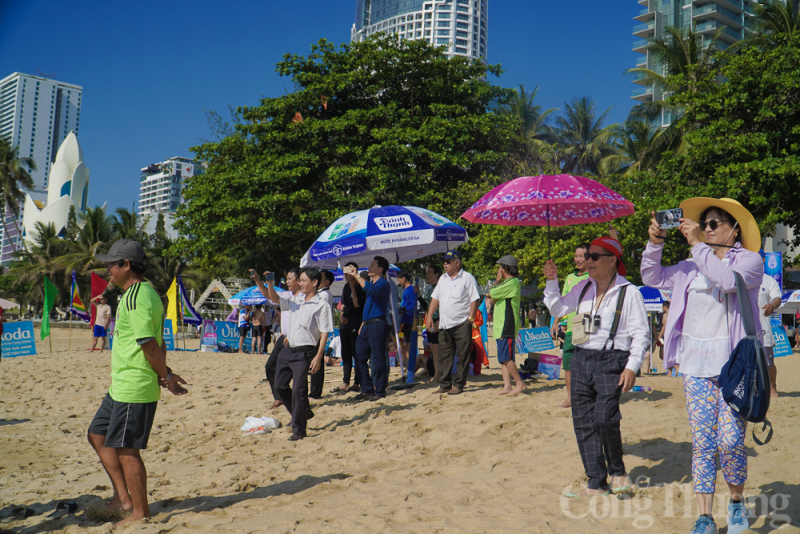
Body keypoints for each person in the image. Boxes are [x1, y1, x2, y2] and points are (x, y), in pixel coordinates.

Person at [641, 198, 763, 534]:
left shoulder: (750, 262)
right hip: (695, 366)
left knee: (731, 441)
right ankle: (705, 516)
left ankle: (736, 504)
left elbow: (726, 281)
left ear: (733, 229)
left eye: (713, 223)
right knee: (704, 443)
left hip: (735, 368)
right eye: (703, 223)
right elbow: (651, 275)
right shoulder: (689, 266)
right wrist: (656, 242)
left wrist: (697, 244)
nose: (706, 228)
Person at [88, 239, 188, 525]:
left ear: (126, 265)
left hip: (134, 386)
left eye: (111, 264)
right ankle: (122, 497)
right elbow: (157, 343)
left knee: (127, 450)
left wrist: (166, 376)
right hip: (121, 384)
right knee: (96, 434)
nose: (108, 270)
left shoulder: (138, 295)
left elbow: (148, 344)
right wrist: (165, 371)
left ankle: (140, 512)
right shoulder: (139, 293)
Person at [544, 236, 647, 498]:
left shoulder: (628, 292)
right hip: (580, 358)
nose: (588, 260)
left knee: (605, 418)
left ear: (612, 260)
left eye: (594, 256)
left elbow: (641, 335)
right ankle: (596, 481)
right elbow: (557, 306)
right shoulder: (583, 288)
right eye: (588, 255)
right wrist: (552, 280)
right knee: (583, 422)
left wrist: (632, 367)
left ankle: (618, 471)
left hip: (612, 361)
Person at [272, 267, 332, 440]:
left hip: (304, 353)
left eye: (304, 280)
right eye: (300, 280)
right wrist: (266, 283)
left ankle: (299, 430)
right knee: (280, 386)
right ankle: (304, 411)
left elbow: (324, 332)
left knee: (299, 390)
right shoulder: (295, 299)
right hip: (288, 351)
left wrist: (319, 356)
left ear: (314, 283)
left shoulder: (321, 304)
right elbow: (274, 298)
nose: (300, 283)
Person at [425, 250, 480, 396]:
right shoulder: (443, 279)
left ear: (457, 262)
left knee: (462, 355)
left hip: (462, 322)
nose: (445, 264)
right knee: (445, 356)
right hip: (445, 324)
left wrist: (470, 318)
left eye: (448, 261)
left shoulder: (467, 277)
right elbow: (435, 298)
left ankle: (459, 384)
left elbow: (475, 299)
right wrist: (429, 316)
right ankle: (445, 384)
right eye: (444, 261)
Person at [254, 267, 303, 409]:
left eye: (289, 278)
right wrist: (259, 280)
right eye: (286, 278)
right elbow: (270, 297)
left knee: (296, 373)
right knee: (270, 366)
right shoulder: (288, 295)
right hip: (284, 337)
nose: (287, 281)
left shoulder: (303, 298)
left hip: (296, 338)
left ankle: (298, 401)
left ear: (299, 281)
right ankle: (279, 398)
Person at [550, 244, 590, 408]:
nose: (578, 259)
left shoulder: (594, 276)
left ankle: (587, 395)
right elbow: (563, 302)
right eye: (576, 255)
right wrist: (555, 321)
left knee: (586, 364)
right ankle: (570, 397)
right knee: (567, 364)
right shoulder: (569, 278)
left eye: (581, 255)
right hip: (571, 328)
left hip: (588, 327)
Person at [354, 256, 392, 401]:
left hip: (377, 324)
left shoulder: (383, 283)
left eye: (372, 265)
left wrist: (357, 275)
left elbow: (369, 288)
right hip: (367, 325)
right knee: (359, 356)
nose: (369, 267)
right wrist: (363, 324)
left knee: (377, 357)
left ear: (380, 269)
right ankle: (368, 388)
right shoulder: (372, 283)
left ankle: (380, 391)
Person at [490, 255, 525, 395]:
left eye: (500, 267)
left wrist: (496, 282)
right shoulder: (506, 284)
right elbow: (492, 299)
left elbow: (492, 292)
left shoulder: (513, 282)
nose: (498, 270)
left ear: (505, 267)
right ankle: (507, 386)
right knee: (502, 357)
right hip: (500, 324)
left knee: (506, 356)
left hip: (507, 323)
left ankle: (520, 383)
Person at [335, 262, 365, 394]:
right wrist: (341, 315)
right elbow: (343, 304)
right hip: (345, 323)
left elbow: (357, 305)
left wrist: (353, 288)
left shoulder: (361, 286)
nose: (345, 276)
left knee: (356, 354)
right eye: (345, 273)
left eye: (348, 273)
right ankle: (345, 381)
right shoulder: (346, 286)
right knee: (345, 354)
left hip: (356, 322)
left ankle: (357, 382)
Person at [757, 252, 782, 398]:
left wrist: (772, 305)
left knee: (768, 362)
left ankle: (772, 387)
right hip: (743, 330)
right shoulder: (742, 278)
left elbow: (777, 298)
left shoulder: (768, 280)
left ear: (763, 259)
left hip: (763, 329)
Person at [309, 269, 335, 400]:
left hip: (318, 332)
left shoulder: (324, 295)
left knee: (317, 362)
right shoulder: (320, 293)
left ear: (326, 282)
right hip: (314, 332)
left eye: (321, 277)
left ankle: (315, 393)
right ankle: (314, 392)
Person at [419, 265, 443, 383]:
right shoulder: (430, 289)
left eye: (429, 272)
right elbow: (428, 308)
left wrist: (440, 319)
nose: (427, 275)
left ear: (436, 274)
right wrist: (419, 297)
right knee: (433, 348)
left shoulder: (441, 287)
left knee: (438, 349)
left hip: (438, 321)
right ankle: (436, 374)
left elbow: (444, 305)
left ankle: (439, 374)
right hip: (431, 321)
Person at [396, 270, 417, 377]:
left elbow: (413, 304)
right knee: (406, 343)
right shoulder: (407, 290)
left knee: (398, 341)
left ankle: (412, 361)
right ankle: (408, 364)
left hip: (407, 320)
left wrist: (403, 309)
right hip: (406, 319)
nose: (398, 281)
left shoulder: (409, 290)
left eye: (399, 279)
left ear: (404, 278)